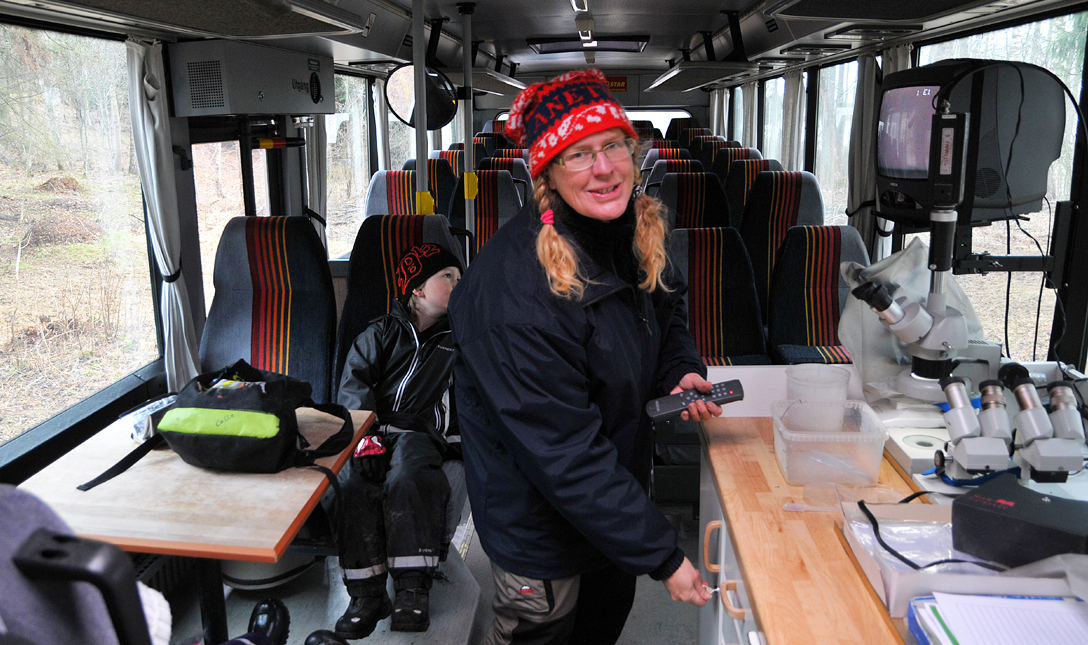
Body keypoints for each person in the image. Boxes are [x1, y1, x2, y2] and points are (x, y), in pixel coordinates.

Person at [448, 68, 721, 645]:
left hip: (611, 502)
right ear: (546, 174)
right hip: (541, 531)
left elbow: (667, 311)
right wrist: (665, 556)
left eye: (613, 146)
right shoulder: (512, 295)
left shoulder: (630, 233)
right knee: (544, 633)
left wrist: (680, 368)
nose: (604, 168)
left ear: (633, 151)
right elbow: (564, 453)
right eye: (578, 155)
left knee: (599, 629)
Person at [330, 244, 463, 639]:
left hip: (421, 432)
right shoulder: (380, 333)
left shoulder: (457, 340)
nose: (458, 284)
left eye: (459, 277)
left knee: (409, 474)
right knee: (354, 484)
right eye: (447, 277)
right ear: (417, 289)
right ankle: (368, 594)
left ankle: (412, 588)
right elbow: (354, 386)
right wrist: (364, 438)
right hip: (373, 429)